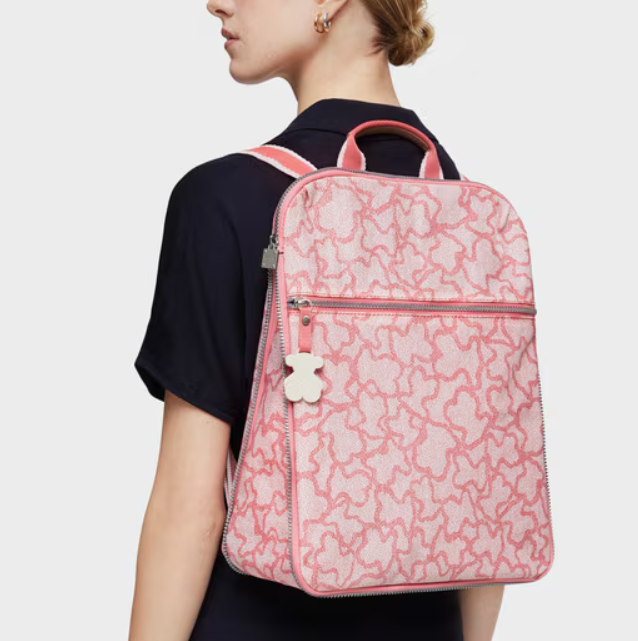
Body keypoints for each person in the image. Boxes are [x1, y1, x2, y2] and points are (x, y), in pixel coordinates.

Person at [128, 0, 505, 640]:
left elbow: (190, 509)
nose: (216, 2)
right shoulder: (474, 218)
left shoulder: (222, 198)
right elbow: (485, 502)